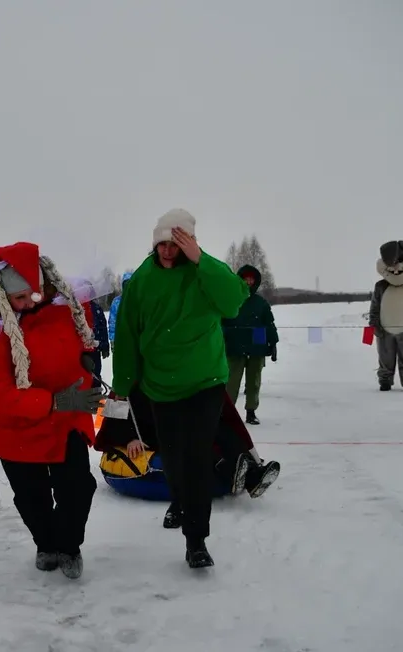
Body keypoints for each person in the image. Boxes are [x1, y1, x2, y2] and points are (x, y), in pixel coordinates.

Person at [112, 209, 249, 569]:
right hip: (160, 385)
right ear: (154, 243)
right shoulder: (141, 281)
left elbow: (234, 301)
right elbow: (127, 334)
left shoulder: (204, 273)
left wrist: (201, 260)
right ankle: (179, 500)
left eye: (177, 244)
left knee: (197, 455)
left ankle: (196, 540)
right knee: (172, 457)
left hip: (204, 382)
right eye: (163, 243)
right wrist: (123, 385)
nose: (168, 251)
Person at [0, 242, 103, 580]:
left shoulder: (64, 306)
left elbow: (82, 337)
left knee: (77, 488)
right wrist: (53, 401)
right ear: (2, 294)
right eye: (20, 298)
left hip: (66, 420)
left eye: (35, 294)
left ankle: (69, 545)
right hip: (16, 427)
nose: (30, 303)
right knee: (32, 497)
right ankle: (46, 544)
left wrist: (88, 360)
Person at [94, 384, 280, 502]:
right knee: (192, 444)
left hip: (173, 424)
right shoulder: (128, 381)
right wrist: (129, 439)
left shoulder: (168, 376)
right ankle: (229, 471)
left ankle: (252, 473)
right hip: (150, 438)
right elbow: (112, 422)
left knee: (218, 426)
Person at [223, 265, 279, 425]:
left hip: (257, 347)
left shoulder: (261, 303)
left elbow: (269, 324)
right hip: (234, 347)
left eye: (251, 279)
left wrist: (273, 343)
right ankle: (228, 414)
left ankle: (251, 412)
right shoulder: (230, 300)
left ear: (256, 282)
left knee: (254, 381)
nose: (248, 282)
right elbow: (220, 323)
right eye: (245, 279)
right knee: (231, 382)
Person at [369, 240, 403, 392]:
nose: (397, 268)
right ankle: (385, 380)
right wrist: (374, 325)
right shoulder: (380, 286)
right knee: (385, 357)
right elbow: (374, 307)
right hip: (384, 329)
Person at [107, 271, 133, 351]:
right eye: (125, 284)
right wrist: (112, 339)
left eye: (130, 284)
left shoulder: (139, 300)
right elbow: (112, 322)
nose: (127, 286)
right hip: (121, 339)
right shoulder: (117, 302)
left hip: (137, 339)